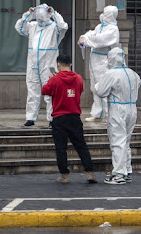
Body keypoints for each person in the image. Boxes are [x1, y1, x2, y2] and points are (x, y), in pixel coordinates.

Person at [41, 54, 97, 184]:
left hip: (59, 118)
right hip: (74, 117)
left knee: (61, 148)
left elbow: (45, 90)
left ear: (58, 65)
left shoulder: (55, 79)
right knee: (81, 146)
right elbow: (80, 90)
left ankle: (65, 175)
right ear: (70, 64)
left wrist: (50, 79)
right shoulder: (78, 78)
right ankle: (90, 173)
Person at [15, 4, 68, 127]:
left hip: (49, 64)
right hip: (33, 64)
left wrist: (54, 13)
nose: (39, 21)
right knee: (32, 90)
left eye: (41, 19)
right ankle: (30, 118)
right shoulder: (33, 26)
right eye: (37, 18)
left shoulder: (54, 28)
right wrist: (28, 14)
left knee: (51, 90)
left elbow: (63, 26)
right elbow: (20, 27)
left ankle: (52, 118)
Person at [94, 47, 141, 185]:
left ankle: (119, 173)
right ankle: (126, 170)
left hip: (117, 108)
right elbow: (138, 84)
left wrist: (98, 85)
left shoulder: (111, 74)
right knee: (126, 141)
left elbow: (101, 91)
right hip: (132, 107)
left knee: (117, 141)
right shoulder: (132, 73)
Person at [78, 6, 121, 121]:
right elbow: (91, 34)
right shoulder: (100, 27)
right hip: (95, 61)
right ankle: (98, 112)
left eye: (104, 12)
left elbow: (100, 40)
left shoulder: (112, 29)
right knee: (95, 87)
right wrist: (83, 37)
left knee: (104, 87)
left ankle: (109, 113)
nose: (101, 14)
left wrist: (85, 41)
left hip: (104, 62)